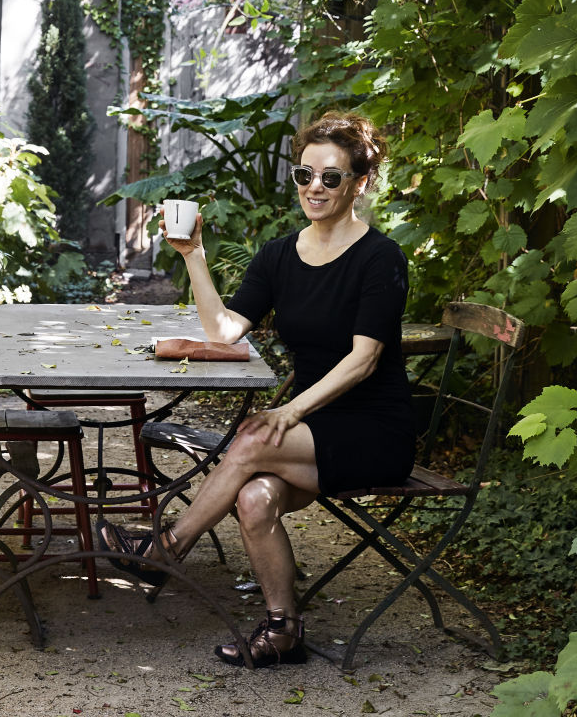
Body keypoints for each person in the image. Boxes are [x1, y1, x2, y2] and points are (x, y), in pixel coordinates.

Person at [97, 110, 415, 669]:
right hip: (312, 430)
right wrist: (194, 254)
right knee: (253, 496)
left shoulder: (380, 259)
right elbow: (223, 331)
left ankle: (163, 550)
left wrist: (289, 412)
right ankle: (283, 629)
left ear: (359, 183)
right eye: (305, 175)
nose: (314, 187)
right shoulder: (278, 255)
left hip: (373, 430)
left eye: (331, 177)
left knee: (250, 438)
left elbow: (364, 361)